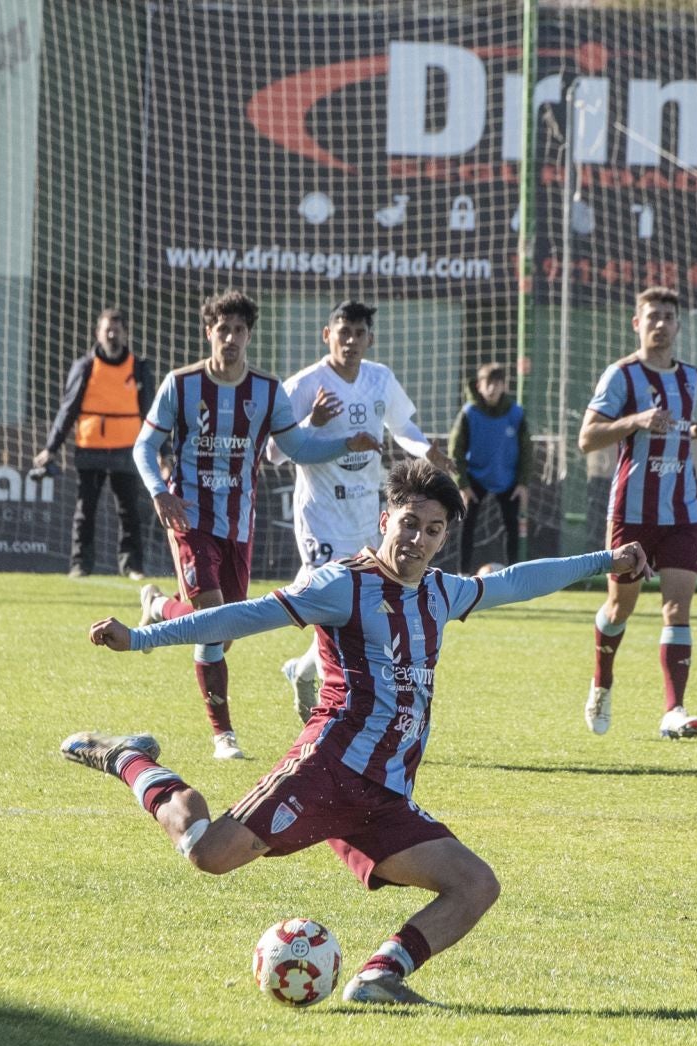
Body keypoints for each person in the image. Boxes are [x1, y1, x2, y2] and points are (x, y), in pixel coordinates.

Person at [62, 461, 651, 1005]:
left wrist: (606, 561)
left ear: (444, 538)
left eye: (433, 530)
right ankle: (130, 760)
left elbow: (520, 581)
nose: (417, 539)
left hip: (385, 793)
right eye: (409, 523)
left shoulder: (443, 593)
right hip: (327, 770)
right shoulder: (341, 585)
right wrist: (140, 638)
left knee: (475, 885)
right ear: (384, 520)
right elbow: (244, 615)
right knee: (207, 854)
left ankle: (380, 975)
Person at [132, 289, 363, 761]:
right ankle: (224, 736)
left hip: (239, 525)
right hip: (190, 517)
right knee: (215, 624)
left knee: (225, 629)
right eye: (223, 330)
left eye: (239, 330)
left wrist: (343, 443)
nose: (231, 338)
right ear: (209, 333)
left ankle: (158, 606)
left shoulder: (267, 391)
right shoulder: (181, 385)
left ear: (249, 335)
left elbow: (295, 449)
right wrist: (159, 490)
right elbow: (143, 447)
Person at [272, 300, 451, 723]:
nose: (350, 341)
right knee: (326, 596)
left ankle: (301, 671)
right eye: (343, 332)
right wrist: (313, 422)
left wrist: (427, 451)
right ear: (327, 334)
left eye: (358, 334)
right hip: (321, 513)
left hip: (367, 512)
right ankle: (337, 698)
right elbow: (275, 451)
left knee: (361, 602)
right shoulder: (304, 385)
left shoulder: (379, 379)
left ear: (370, 338)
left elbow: (403, 428)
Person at [579, 287, 697, 739]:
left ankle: (673, 712)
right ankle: (602, 682)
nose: (661, 324)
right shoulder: (621, 375)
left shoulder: (690, 377)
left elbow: (676, 429)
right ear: (636, 323)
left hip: (682, 509)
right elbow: (588, 437)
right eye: (652, 316)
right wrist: (636, 420)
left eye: (668, 317)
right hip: (632, 511)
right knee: (621, 607)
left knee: (677, 610)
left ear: (678, 326)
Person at [34, 308, 157, 579]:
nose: (112, 334)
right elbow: (68, 410)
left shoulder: (138, 367)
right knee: (85, 510)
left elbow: (151, 412)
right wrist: (50, 448)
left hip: (127, 448)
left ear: (125, 333)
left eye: (116, 329)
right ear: (97, 333)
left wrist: (162, 450)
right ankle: (80, 564)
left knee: (129, 511)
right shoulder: (86, 367)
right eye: (107, 329)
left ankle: (132, 565)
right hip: (91, 447)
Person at [449, 362, 529, 571]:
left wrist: (522, 482)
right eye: (488, 384)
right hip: (475, 477)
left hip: (508, 477)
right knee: (467, 525)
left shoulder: (516, 413)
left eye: (497, 383)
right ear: (479, 386)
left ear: (504, 386)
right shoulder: (469, 413)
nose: (492, 389)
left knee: (511, 526)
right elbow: (455, 450)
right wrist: (463, 484)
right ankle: (463, 574)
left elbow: (527, 449)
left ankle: (514, 576)